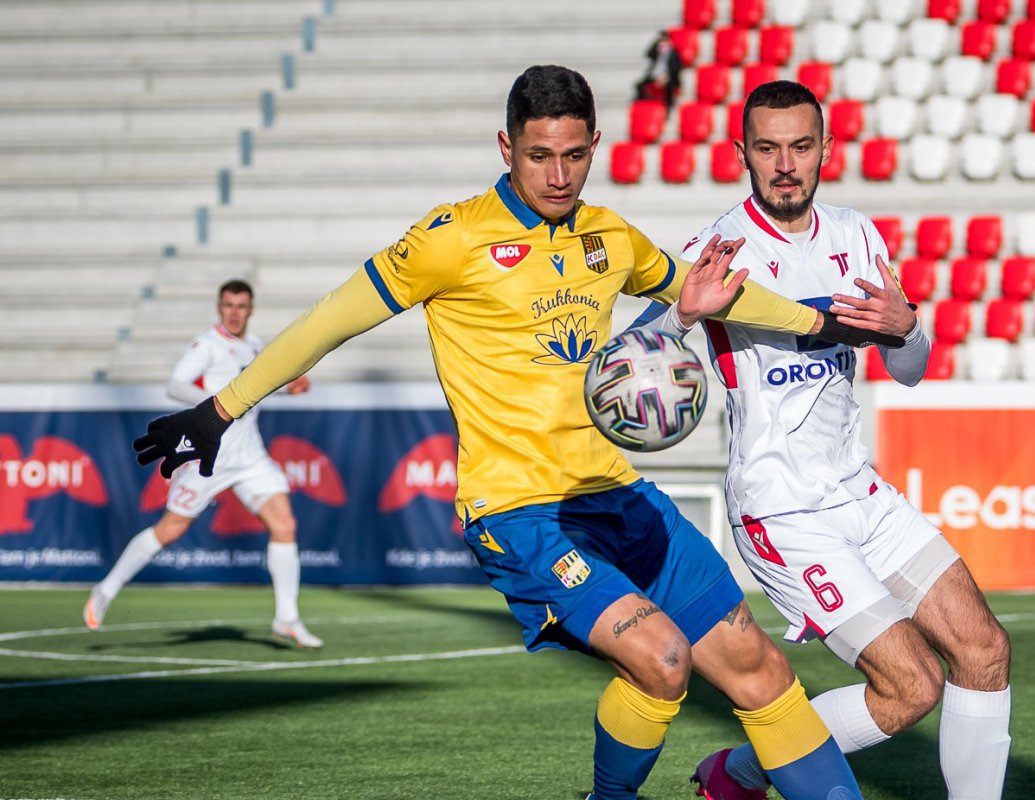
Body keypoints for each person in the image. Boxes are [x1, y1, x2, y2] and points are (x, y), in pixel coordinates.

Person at [131, 66, 901, 800]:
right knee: (662, 658)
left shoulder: (609, 237)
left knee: (758, 667)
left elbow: (716, 292)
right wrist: (219, 409)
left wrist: (826, 324)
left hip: (616, 492)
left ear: (595, 145)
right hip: (519, 512)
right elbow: (329, 320)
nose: (558, 176)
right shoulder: (451, 239)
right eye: (539, 156)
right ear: (507, 147)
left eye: (574, 156)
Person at [631, 81, 1013, 800]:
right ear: (742, 153)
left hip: (860, 492)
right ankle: (738, 773)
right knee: (911, 687)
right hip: (781, 509)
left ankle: (739, 775)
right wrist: (681, 315)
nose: (785, 165)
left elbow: (910, 370)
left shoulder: (856, 236)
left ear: (826, 151)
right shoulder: (717, 249)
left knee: (985, 648)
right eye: (768, 148)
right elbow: (632, 358)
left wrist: (908, 329)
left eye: (801, 147)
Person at [85, 279, 321, 648]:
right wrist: (217, 404)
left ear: (250, 310)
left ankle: (286, 617)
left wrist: (288, 387)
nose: (234, 312)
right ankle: (106, 589)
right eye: (228, 305)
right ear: (218, 307)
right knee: (170, 530)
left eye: (241, 306)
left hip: (249, 455)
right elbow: (175, 385)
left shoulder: (254, 345)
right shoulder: (207, 345)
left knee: (284, 525)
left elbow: (256, 388)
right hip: (209, 456)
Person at [634, 31, 682, 109]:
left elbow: (676, 69)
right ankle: (643, 104)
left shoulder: (673, 54)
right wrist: (655, 44)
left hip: (667, 77)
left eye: (664, 41)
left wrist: (666, 77)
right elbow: (648, 54)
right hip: (654, 75)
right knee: (639, 85)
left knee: (669, 88)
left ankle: (668, 107)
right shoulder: (656, 52)